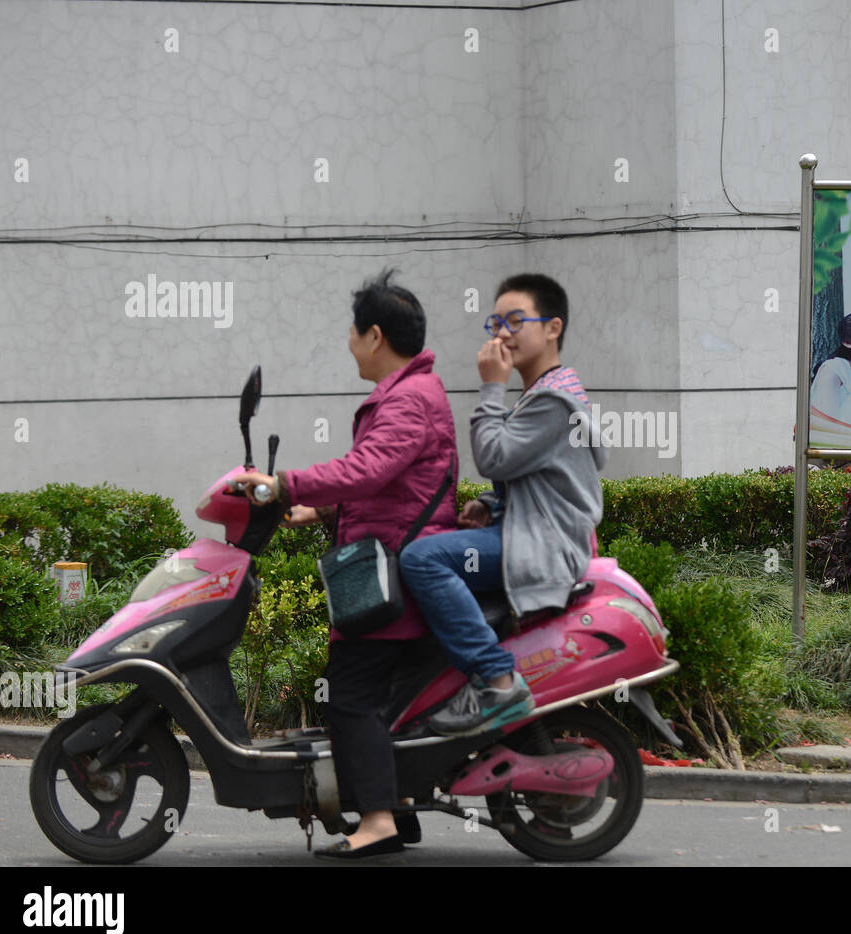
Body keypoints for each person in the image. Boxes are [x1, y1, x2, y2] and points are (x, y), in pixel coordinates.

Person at [236, 269, 457, 860]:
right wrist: (323, 512)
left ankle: (379, 820)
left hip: (396, 574)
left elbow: (370, 471)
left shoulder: (409, 398)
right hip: (391, 559)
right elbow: (392, 489)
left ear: (375, 335)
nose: (349, 343)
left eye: (353, 333)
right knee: (384, 700)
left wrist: (284, 484)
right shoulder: (411, 393)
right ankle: (400, 806)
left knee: (352, 695)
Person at [398, 273, 606, 736]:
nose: (502, 333)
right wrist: (493, 505)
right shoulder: (546, 392)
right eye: (495, 322)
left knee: (421, 559)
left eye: (515, 321)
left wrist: (492, 387)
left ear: (553, 328)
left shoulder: (553, 401)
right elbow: (541, 478)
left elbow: (493, 455)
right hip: (531, 533)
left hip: (546, 547)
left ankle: (496, 678)